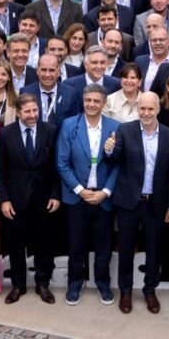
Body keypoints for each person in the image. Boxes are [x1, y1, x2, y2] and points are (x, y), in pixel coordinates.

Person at [104, 91, 169, 315]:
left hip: (155, 202)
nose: (146, 113)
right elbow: (113, 157)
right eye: (142, 108)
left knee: (154, 249)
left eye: (150, 109)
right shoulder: (125, 130)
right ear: (138, 109)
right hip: (129, 201)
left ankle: (149, 290)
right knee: (126, 248)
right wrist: (109, 148)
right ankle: (125, 291)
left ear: (158, 109)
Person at [56, 85, 120, 305]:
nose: (91, 104)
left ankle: (103, 284)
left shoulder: (115, 127)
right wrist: (80, 190)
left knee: (104, 246)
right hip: (76, 198)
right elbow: (62, 162)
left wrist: (105, 192)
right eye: (88, 100)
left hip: (103, 198)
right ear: (83, 102)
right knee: (76, 245)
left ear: (103, 103)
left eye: (96, 101)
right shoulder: (69, 125)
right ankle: (75, 284)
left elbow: (118, 165)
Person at [0, 94, 61, 304]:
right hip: (15, 201)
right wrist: (4, 199)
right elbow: (0, 171)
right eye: (28, 111)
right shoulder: (5, 134)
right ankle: (18, 285)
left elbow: (56, 167)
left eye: (35, 110)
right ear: (19, 112)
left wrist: (55, 194)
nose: (33, 115)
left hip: (43, 200)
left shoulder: (50, 130)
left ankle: (43, 284)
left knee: (44, 244)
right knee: (15, 245)